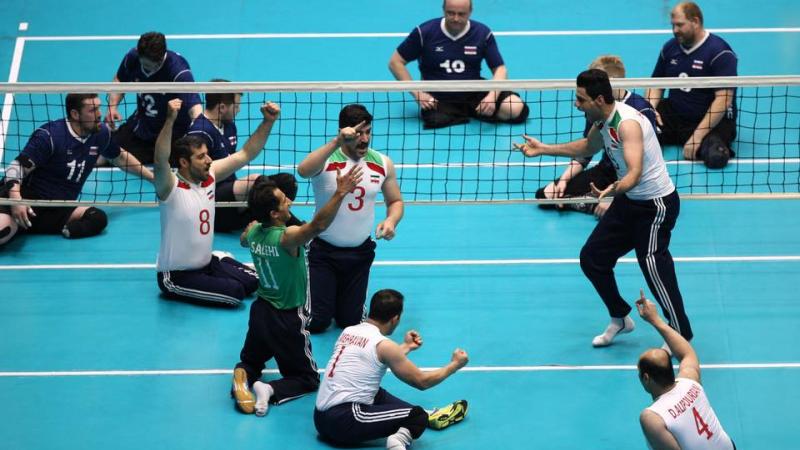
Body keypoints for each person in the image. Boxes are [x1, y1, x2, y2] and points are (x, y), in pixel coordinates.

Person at [513, 69, 693, 347]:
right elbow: (586, 146)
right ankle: (620, 317)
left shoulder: (627, 124)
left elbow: (634, 172)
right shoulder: (602, 122)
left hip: (655, 205)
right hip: (629, 202)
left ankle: (679, 331)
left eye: (580, 99)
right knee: (592, 258)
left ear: (598, 99)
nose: (576, 104)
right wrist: (543, 149)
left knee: (653, 266)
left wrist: (613, 190)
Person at [230, 164, 362, 417]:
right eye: (283, 201)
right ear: (275, 214)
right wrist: (340, 193)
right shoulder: (286, 238)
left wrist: (250, 230)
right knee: (308, 378)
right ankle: (268, 389)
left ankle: (243, 372)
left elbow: (243, 239)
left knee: (252, 360)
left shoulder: (255, 231)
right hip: (286, 318)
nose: (289, 202)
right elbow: (318, 226)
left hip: (260, 312)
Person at [153, 98, 279, 307]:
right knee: (235, 294)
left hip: (207, 263)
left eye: (208, 155)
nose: (209, 160)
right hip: (177, 275)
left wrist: (268, 122)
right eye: (201, 157)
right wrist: (170, 120)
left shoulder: (209, 175)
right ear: (184, 163)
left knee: (253, 282)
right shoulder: (170, 187)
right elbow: (160, 160)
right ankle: (217, 266)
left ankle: (218, 259)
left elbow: (246, 153)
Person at [314, 289, 469, 449]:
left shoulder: (349, 331)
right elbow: (422, 381)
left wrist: (407, 346)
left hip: (320, 419)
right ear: (395, 319)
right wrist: (455, 365)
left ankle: (430, 415)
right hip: (345, 420)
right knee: (417, 417)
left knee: (375, 391)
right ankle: (397, 442)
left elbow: (375, 356)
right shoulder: (385, 345)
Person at [297, 104, 404, 333]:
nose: (364, 139)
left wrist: (391, 221)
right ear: (344, 133)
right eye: (358, 134)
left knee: (350, 322)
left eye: (368, 132)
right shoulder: (327, 159)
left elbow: (395, 202)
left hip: (359, 254)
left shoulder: (382, 163)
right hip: (323, 253)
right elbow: (303, 171)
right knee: (317, 322)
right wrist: (336, 142)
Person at [0, 93, 153, 246]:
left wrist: (153, 178)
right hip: (25, 198)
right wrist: (16, 200)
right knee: (4, 230)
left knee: (96, 218)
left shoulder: (100, 133)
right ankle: (18, 223)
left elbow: (120, 157)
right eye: (92, 110)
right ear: (75, 114)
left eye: (99, 108)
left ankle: (33, 227)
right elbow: (15, 168)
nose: (99, 114)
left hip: (57, 207)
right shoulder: (50, 136)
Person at [536, 55, 657, 219]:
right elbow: (587, 150)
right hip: (606, 171)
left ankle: (604, 205)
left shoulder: (641, 110)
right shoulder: (595, 107)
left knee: (620, 208)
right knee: (547, 195)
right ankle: (593, 204)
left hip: (634, 178)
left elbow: (639, 169)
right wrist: (564, 179)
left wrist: (613, 198)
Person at [388, 0, 529, 129]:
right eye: (451, 13)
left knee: (515, 108)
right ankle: (472, 113)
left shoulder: (482, 33)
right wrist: (418, 94)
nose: (456, 18)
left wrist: (492, 96)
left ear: (470, 12)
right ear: (443, 10)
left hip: (474, 92)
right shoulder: (424, 32)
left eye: (461, 14)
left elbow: (500, 68)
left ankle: (470, 112)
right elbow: (395, 62)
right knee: (436, 120)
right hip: (439, 97)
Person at [186, 79, 302, 231]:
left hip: (232, 199)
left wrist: (268, 121)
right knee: (255, 182)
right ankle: (300, 229)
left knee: (287, 182)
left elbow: (246, 153)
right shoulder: (200, 133)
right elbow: (194, 179)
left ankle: (274, 228)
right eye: (237, 106)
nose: (239, 110)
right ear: (222, 107)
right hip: (210, 205)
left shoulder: (228, 126)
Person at [636, 291, 735, 449]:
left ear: (646, 378)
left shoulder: (652, 417)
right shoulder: (690, 381)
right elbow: (687, 353)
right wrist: (656, 320)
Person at [646, 2, 738, 169]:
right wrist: (649, 111)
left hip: (710, 120)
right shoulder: (670, 48)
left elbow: (723, 100)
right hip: (675, 115)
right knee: (637, 133)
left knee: (716, 157)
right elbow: (656, 84)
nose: (675, 30)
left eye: (680, 25)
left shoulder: (719, 52)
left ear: (695, 21)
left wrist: (697, 136)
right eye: (673, 25)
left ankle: (701, 141)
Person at [105, 31, 202, 164]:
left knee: (192, 165)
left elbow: (194, 108)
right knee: (103, 153)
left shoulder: (178, 71)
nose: (147, 69)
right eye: (144, 64)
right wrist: (112, 107)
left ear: (161, 58)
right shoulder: (133, 58)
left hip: (173, 136)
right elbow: (120, 80)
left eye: (152, 66)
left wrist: (201, 129)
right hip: (141, 129)